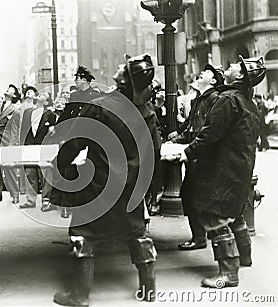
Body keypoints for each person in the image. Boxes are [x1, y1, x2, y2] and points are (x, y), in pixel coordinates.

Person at [53, 54, 158, 306]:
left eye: (124, 68)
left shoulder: (102, 106)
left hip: (99, 184)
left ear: (125, 80)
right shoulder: (147, 112)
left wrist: (63, 166)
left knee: (83, 234)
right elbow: (154, 152)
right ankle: (149, 290)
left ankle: (79, 295)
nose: (119, 68)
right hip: (132, 187)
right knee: (137, 233)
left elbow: (75, 140)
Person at [179, 56, 266, 288]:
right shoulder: (249, 102)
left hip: (224, 166)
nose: (228, 67)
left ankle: (228, 273)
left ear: (239, 76)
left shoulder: (228, 99)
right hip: (241, 165)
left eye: (234, 66)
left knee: (215, 215)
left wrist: (188, 151)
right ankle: (245, 257)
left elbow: (210, 134)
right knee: (235, 211)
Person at [169, 64, 224, 251]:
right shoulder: (199, 100)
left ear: (214, 80)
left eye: (208, 72)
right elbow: (190, 130)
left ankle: (206, 238)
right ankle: (201, 236)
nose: (202, 72)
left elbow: (208, 133)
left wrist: (188, 149)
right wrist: (175, 140)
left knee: (200, 199)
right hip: (196, 158)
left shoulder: (214, 99)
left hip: (204, 159)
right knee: (191, 195)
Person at [50, 66, 102, 219]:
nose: (75, 81)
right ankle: (64, 204)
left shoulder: (95, 95)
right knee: (65, 166)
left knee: (93, 169)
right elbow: (67, 114)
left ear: (84, 80)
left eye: (77, 79)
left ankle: (90, 204)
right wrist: (56, 128)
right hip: (74, 137)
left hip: (92, 137)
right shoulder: (74, 96)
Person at [19, 91, 56, 209]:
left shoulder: (50, 115)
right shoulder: (27, 112)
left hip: (43, 146)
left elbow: (52, 133)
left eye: (44, 95)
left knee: (44, 172)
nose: (40, 94)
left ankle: (46, 199)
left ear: (45, 101)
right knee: (30, 172)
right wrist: (22, 145)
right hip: (29, 145)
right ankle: (31, 200)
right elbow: (23, 130)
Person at [0, 83, 21, 203]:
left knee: (8, 168)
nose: (7, 90)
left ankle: (15, 194)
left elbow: (15, 129)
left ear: (15, 95)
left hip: (6, 140)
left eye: (10, 90)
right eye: (7, 88)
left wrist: (13, 144)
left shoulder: (16, 110)